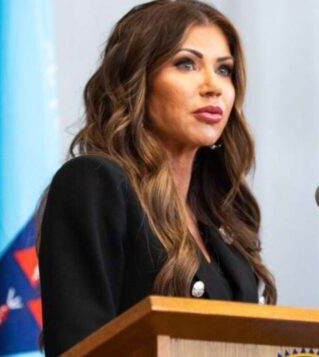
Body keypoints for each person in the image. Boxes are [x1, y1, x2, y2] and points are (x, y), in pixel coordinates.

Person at [37, 1, 277, 356]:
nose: (214, 86)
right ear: (137, 78)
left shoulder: (224, 214)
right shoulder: (94, 183)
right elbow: (80, 347)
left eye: (224, 70)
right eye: (186, 64)